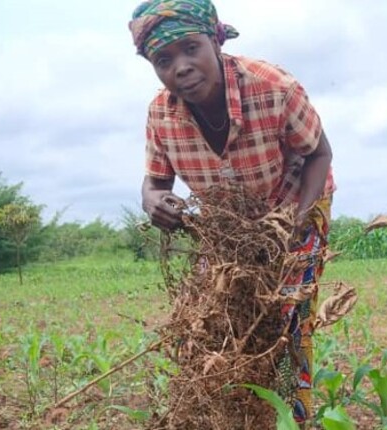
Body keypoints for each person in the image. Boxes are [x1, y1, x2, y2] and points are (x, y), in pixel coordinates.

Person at [128, 0, 336, 424]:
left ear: (215, 41)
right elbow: (155, 183)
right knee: (213, 320)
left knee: (290, 314)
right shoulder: (160, 116)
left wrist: (292, 224)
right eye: (163, 60)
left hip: (297, 203)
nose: (180, 67)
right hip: (228, 229)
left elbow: (320, 154)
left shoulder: (274, 87)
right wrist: (152, 201)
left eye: (190, 48)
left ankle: (293, 417)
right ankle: (230, 412)